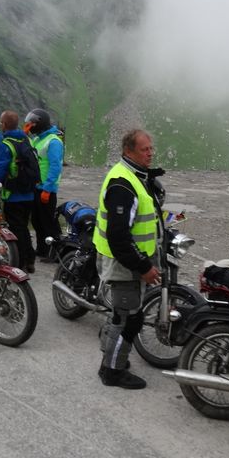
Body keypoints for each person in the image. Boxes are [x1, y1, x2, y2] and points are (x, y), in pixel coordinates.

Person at [94, 129, 163, 390]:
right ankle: (111, 371)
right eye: (145, 149)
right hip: (124, 264)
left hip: (130, 261)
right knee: (127, 319)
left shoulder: (135, 176)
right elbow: (119, 237)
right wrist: (144, 267)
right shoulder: (122, 184)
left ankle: (113, 356)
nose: (150, 152)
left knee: (121, 315)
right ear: (128, 151)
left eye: (151, 148)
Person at [0, 110, 38, 273]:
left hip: (13, 194)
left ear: (4, 125)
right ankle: (30, 259)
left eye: (0, 123)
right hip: (30, 192)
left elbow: (1, 168)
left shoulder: (7, 144)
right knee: (23, 226)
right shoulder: (27, 140)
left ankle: (20, 262)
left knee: (15, 228)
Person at [24, 108, 64, 261]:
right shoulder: (37, 139)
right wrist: (25, 135)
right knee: (36, 220)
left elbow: (55, 166)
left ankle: (55, 251)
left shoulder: (54, 141)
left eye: (33, 123)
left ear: (41, 123)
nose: (31, 125)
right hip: (36, 187)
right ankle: (42, 248)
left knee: (48, 221)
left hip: (46, 189)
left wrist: (48, 188)